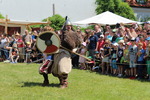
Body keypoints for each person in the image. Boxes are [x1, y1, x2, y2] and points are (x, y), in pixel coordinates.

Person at [39, 19, 82, 88]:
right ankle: (57, 81)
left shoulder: (74, 34)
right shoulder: (60, 34)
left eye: (69, 26)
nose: (68, 27)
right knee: (56, 68)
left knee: (62, 67)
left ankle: (64, 83)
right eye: (67, 26)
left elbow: (78, 44)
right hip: (57, 52)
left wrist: (75, 49)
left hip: (65, 53)